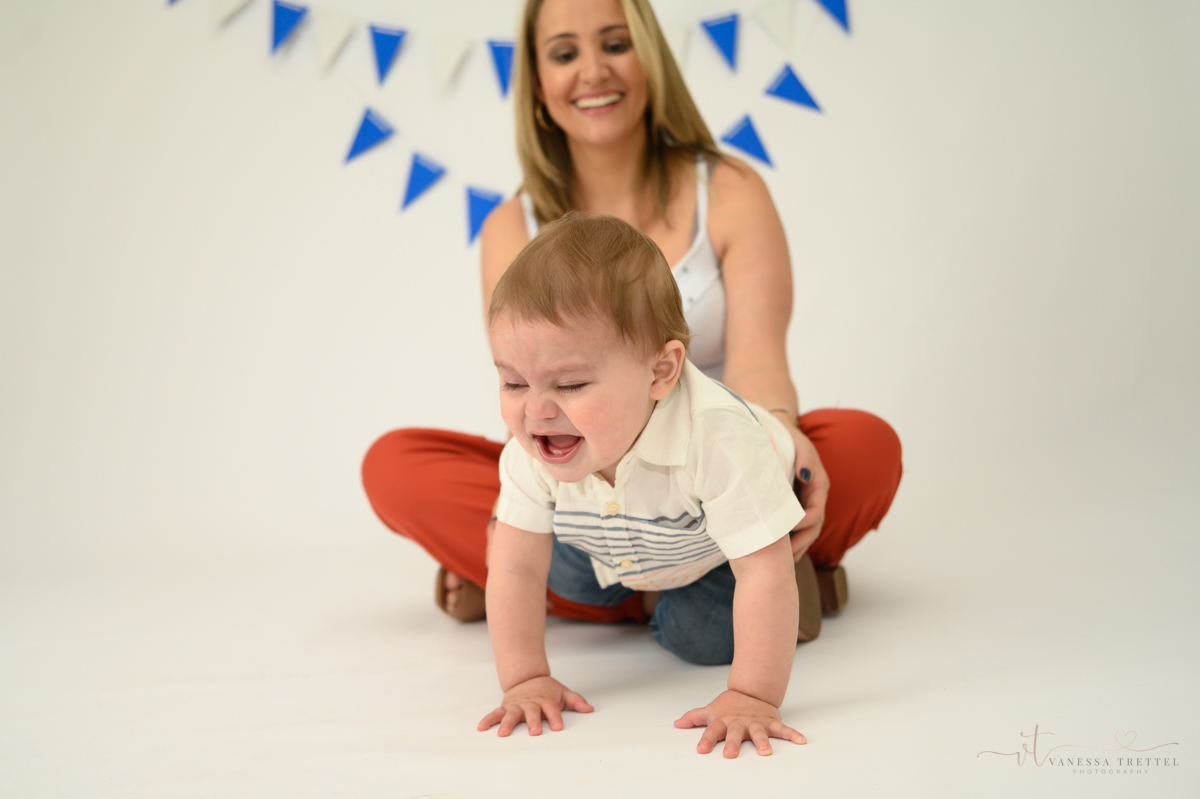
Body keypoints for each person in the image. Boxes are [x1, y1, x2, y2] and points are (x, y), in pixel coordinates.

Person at [361, 0, 902, 629]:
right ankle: (714, 590)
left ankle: (556, 590)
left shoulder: (730, 190)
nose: (593, 71)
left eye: (615, 44)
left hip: (716, 462)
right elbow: (531, 396)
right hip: (586, 478)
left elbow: (759, 362)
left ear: (650, 59)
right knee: (397, 466)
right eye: (564, 54)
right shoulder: (512, 225)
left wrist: (783, 447)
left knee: (864, 446)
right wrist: (535, 503)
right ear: (538, 85)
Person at [480, 211, 807, 757]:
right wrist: (525, 679)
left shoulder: (718, 438)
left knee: (702, 636)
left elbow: (760, 568)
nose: (536, 410)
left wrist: (752, 696)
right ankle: (628, 592)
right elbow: (515, 565)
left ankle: (807, 577)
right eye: (513, 381)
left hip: (716, 547)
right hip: (610, 540)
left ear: (660, 373)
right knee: (543, 565)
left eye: (571, 384)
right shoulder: (531, 446)